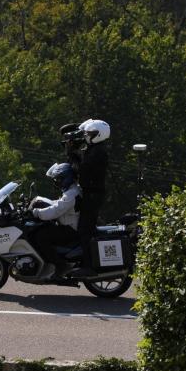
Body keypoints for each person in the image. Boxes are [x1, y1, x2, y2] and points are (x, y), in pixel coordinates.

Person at [61, 119, 111, 277]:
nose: (86, 136)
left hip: (93, 195)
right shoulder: (94, 149)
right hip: (91, 194)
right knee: (84, 227)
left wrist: (74, 155)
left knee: (85, 230)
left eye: (89, 134)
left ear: (98, 135)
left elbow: (83, 170)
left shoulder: (98, 152)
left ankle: (90, 266)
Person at [28, 162, 82, 278]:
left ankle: (60, 265)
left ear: (66, 178)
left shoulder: (71, 194)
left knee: (40, 236)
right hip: (69, 226)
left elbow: (56, 210)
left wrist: (37, 212)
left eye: (59, 179)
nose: (57, 182)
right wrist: (41, 201)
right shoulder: (72, 190)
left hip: (70, 230)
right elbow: (58, 204)